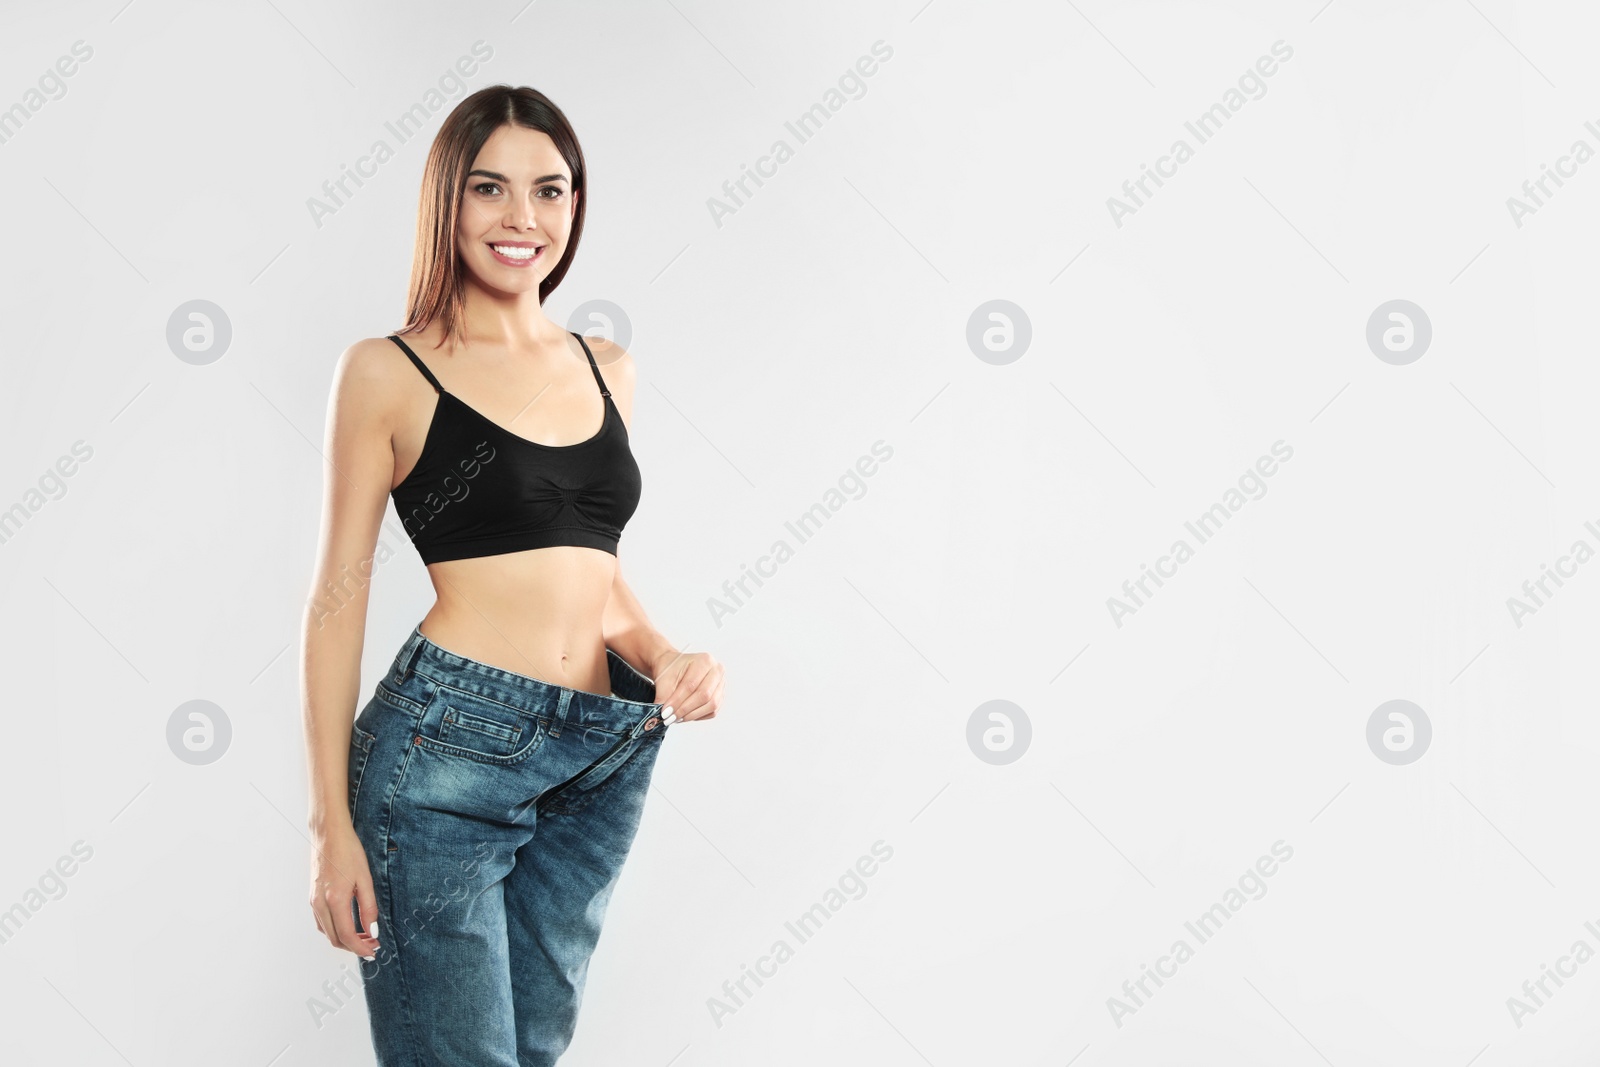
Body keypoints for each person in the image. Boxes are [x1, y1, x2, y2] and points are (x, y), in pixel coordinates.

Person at [298, 83, 724, 1065]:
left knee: (530, 1050)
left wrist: (664, 652)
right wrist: (330, 826)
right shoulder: (386, 371)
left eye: (550, 189)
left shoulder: (605, 364)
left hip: (601, 750)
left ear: (575, 206)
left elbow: (586, 557)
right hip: (445, 749)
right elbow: (334, 603)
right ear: (448, 201)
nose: (522, 217)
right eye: (490, 188)